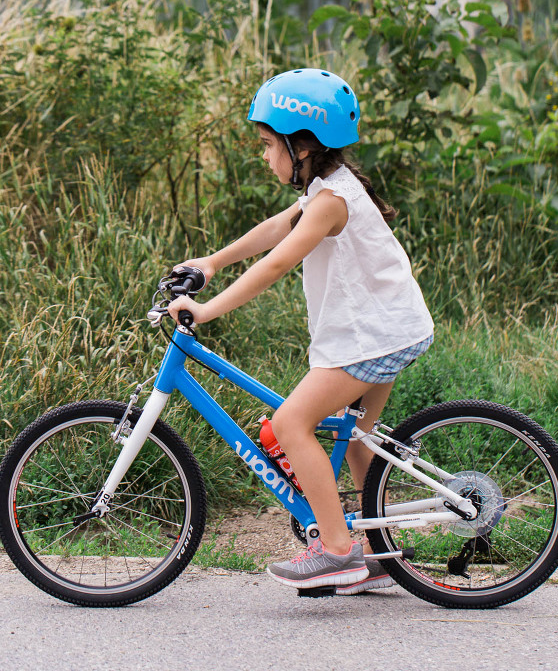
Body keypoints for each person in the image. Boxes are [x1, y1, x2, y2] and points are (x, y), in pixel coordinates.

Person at [167, 68, 434, 592]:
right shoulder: (327, 188)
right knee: (353, 438)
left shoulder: (333, 201)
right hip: (389, 328)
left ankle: (338, 552)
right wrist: (212, 262)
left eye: (269, 144)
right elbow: (275, 229)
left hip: (371, 338)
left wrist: (205, 310)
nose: (264, 155)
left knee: (292, 424)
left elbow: (274, 264)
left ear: (303, 145)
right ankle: (380, 552)